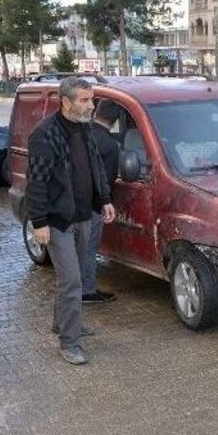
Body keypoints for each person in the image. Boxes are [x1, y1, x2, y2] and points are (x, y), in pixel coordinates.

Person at [26, 77, 116, 365]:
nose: (91, 106)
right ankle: (70, 342)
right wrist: (39, 221)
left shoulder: (86, 128)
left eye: (92, 100)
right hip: (58, 221)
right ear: (65, 102)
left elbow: (96, 167)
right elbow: (36, 182)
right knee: (72, 282)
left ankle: (62, 324)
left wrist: (104, 199)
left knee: (71, 279)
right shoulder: (44, 134)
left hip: (84, 215)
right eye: (84, 100)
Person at [82, 99, 121, 303]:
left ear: (96, 111)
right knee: (89, 249)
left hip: (70, 201)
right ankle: (86, 291)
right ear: (115, 121)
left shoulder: (80, 133)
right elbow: (107, 180)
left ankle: (74, 288)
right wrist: (105, 202)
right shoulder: (110, 145)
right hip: (91, 206)